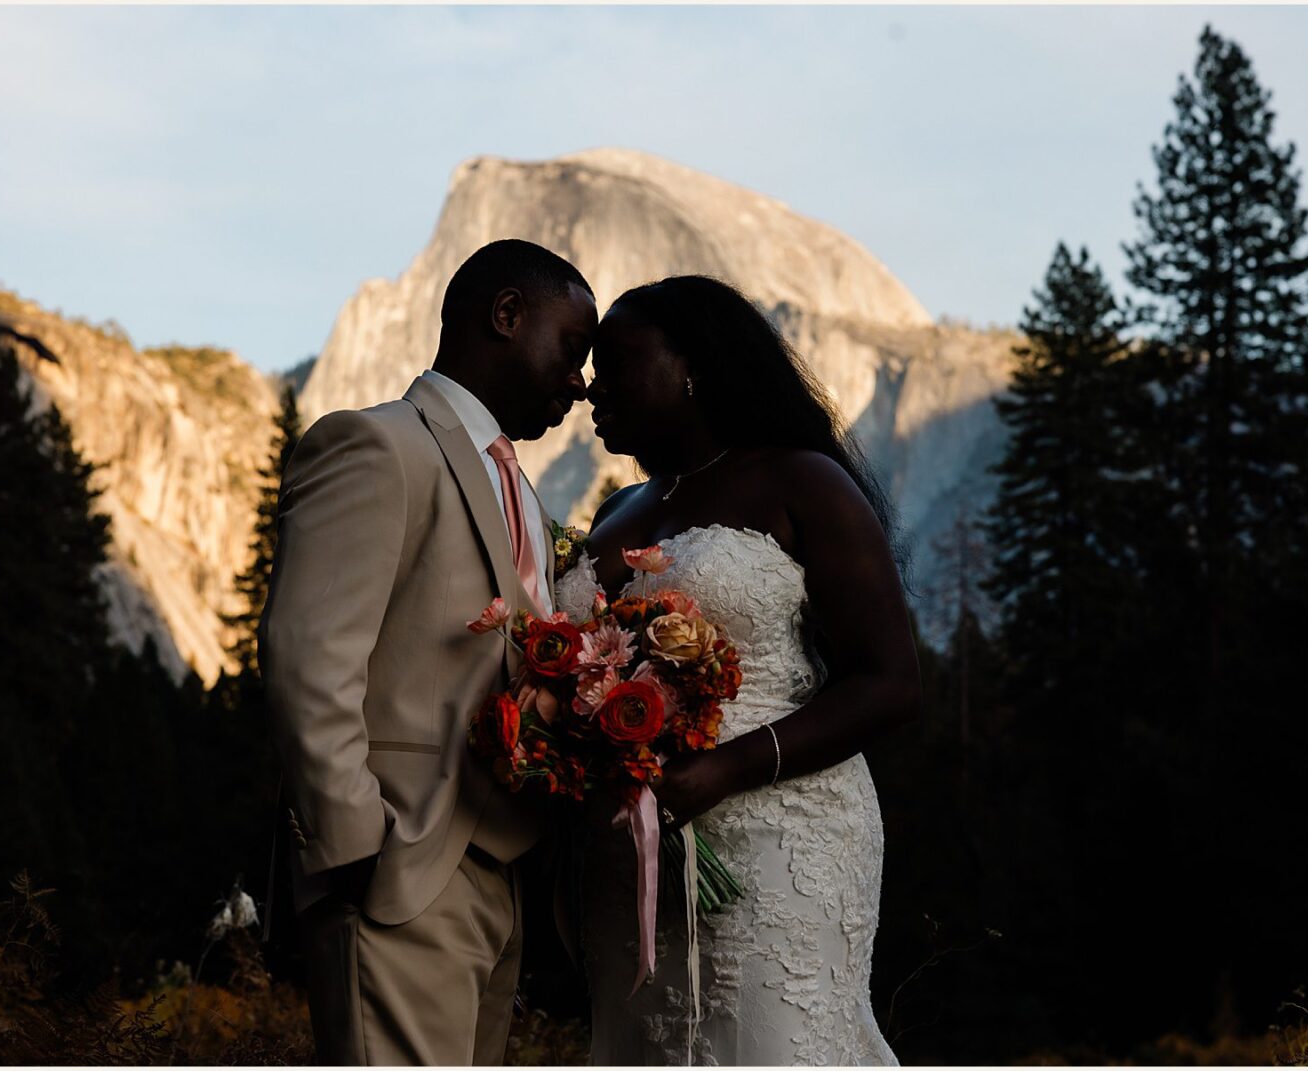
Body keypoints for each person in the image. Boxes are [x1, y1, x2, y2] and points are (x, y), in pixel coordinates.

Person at [554, 274, 920, 1065]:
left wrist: (728, 767)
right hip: (631, 862)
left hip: (780, 837)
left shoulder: (801, 481)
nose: (592, 385)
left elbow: (890, 679)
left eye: (616, 361)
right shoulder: (618, 511)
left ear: (694, 366)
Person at [258, 238, 595, 1064]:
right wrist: (357, 845)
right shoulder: (377, 446)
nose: (580, 384)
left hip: (501, 877)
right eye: (571, 351)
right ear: (506, 315)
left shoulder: (517, 482)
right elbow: (310, 653)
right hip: (400, 867)